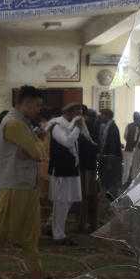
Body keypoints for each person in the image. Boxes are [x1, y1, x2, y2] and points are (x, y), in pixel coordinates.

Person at [0, 86, 60, 279]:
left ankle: (37, 274)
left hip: (25, 186)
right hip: (14, 187)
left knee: (30, 232)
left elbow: (36, 148)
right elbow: (38, 152)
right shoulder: (14, 124)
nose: (38, 110)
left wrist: (34, 148)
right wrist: (36, 147)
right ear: (25, 104)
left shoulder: (23, 124)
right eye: (36, 106)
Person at [47, 103, 83, 245]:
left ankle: (54, 228)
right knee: (61, 201)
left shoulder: (70, 126)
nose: (79, 117)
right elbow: (67, 142)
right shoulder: (56, 126)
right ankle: (58, 234)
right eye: (77, 113)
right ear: (70, 113)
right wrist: (77, 128)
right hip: (60, 170)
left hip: (71, 169)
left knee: (68, 200)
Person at [77, 106, 100, 233]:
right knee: (90, 196)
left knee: (86, 196)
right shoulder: (92, 125)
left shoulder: (85, 127)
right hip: (90, 165)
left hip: (85, 166)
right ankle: (91, 224)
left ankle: (84, 223)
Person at [98, 108, 123, 200]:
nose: (101, 117)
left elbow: (112, 146)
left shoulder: (112, 128)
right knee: (109, 181)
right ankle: (110, 201)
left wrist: (109, 162)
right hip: (110, 159)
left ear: (107, 116)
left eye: (102, 115)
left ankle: (112, 203)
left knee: (112, 182)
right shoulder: (108, 126)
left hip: (112, 160)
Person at [123, 112, 140, 186]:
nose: (136, 121)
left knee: (135, 168)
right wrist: (131, 141)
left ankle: (133, 184)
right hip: (129, 149)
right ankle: (125, 183)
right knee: (127, 167)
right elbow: (125, 136)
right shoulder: (129, 126)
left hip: (138, 150)